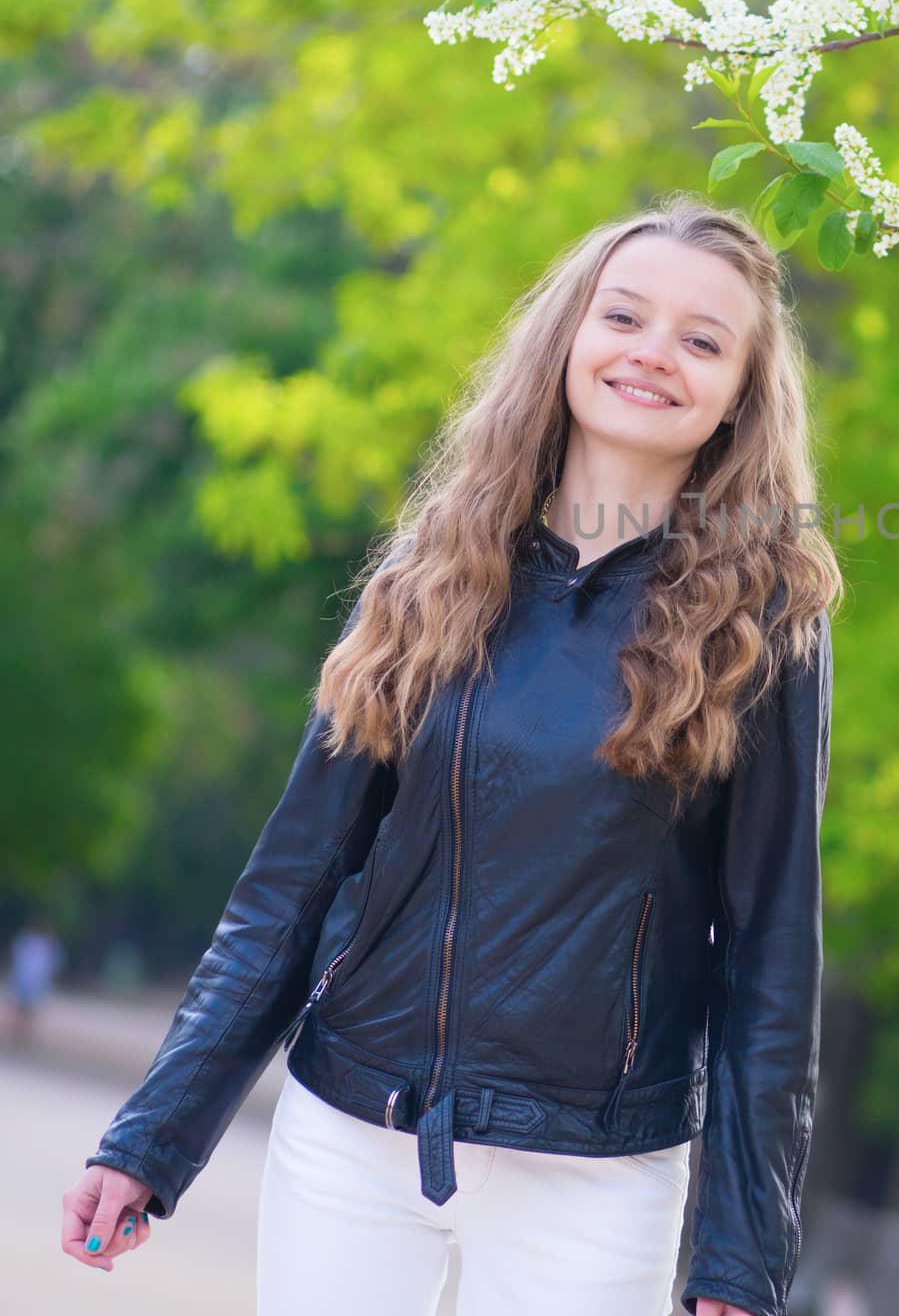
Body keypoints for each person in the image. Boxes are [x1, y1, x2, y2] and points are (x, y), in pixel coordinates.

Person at [63, 195, 843, 1316]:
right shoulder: (434, 571)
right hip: (351, 1132)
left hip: (596, 1171)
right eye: (624, 315)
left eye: (702, 340)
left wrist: (739, 1257)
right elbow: (291, 885)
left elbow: (770, 957)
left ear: (738, 396)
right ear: (569, 335)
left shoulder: (767, 620)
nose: (653, 354)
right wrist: (154, 1133)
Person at [4, 914, 65, 1048]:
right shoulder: (28, 940)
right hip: (25, 980)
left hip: (35, 982)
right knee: (20, 1009)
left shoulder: (47, 945)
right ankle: (17, 1037)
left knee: (29, 1011)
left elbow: (53, 965)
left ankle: (22, 1037)